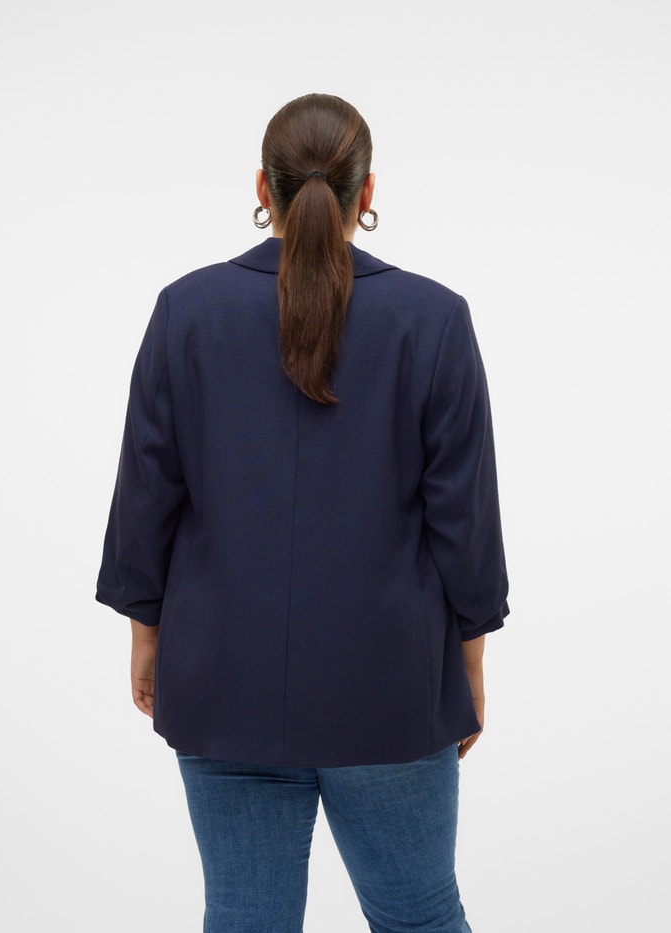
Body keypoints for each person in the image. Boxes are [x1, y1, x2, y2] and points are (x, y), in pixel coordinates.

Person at [96, 92, 509, 933]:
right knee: (421, 916)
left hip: (223, 679)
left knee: (245, 917)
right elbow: (463, 518)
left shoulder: (187, 311)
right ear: (367, 193)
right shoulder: (434, 319)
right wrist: (468, 660)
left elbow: (147, 492)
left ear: (263, 186)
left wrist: (147, 637)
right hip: (390, 688)